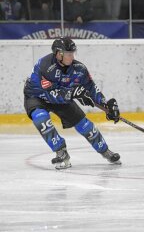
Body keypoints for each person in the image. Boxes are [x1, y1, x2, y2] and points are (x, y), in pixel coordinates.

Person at [23, 37, 121, 169]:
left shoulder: (79, 68)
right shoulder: (45, 66)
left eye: (72, 53)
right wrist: (73, 93)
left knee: (85, 125)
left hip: (62, 98)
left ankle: (105, 151)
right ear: (58, 53)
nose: (71, 56)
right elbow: (45, 93)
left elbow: (91, 88)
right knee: (41, 118)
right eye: (68, 54)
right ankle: (61, 152)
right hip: (36, 97)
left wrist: (105, 105)